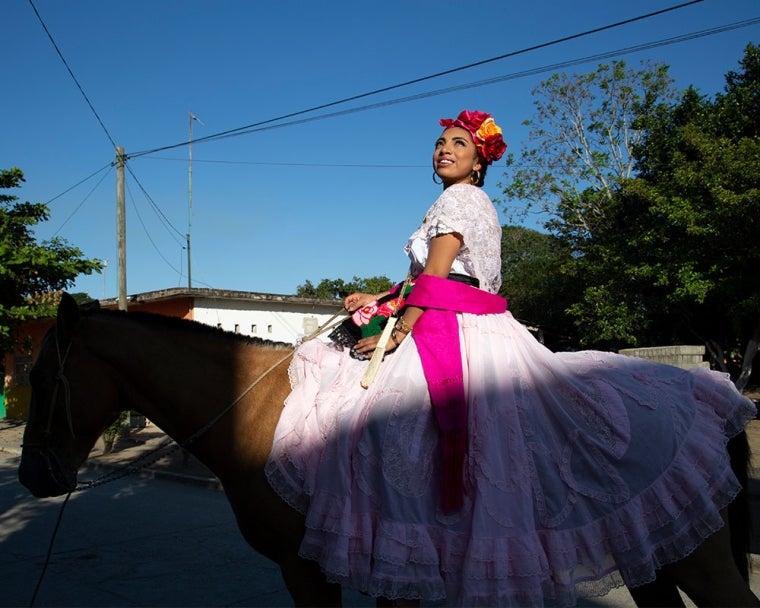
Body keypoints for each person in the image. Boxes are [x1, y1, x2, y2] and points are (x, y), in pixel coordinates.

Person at [265, 110, 759, 606]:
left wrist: (399, 331)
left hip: (450, 325)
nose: (445, 149)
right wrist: (381, 296)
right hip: (458, 318)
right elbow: (435, 277)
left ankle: (405, 530)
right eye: (440, 143)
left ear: (479, 160)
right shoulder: (462, 200)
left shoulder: (459, 197)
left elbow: (438, 279)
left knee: (385, 422)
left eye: (459, 143)